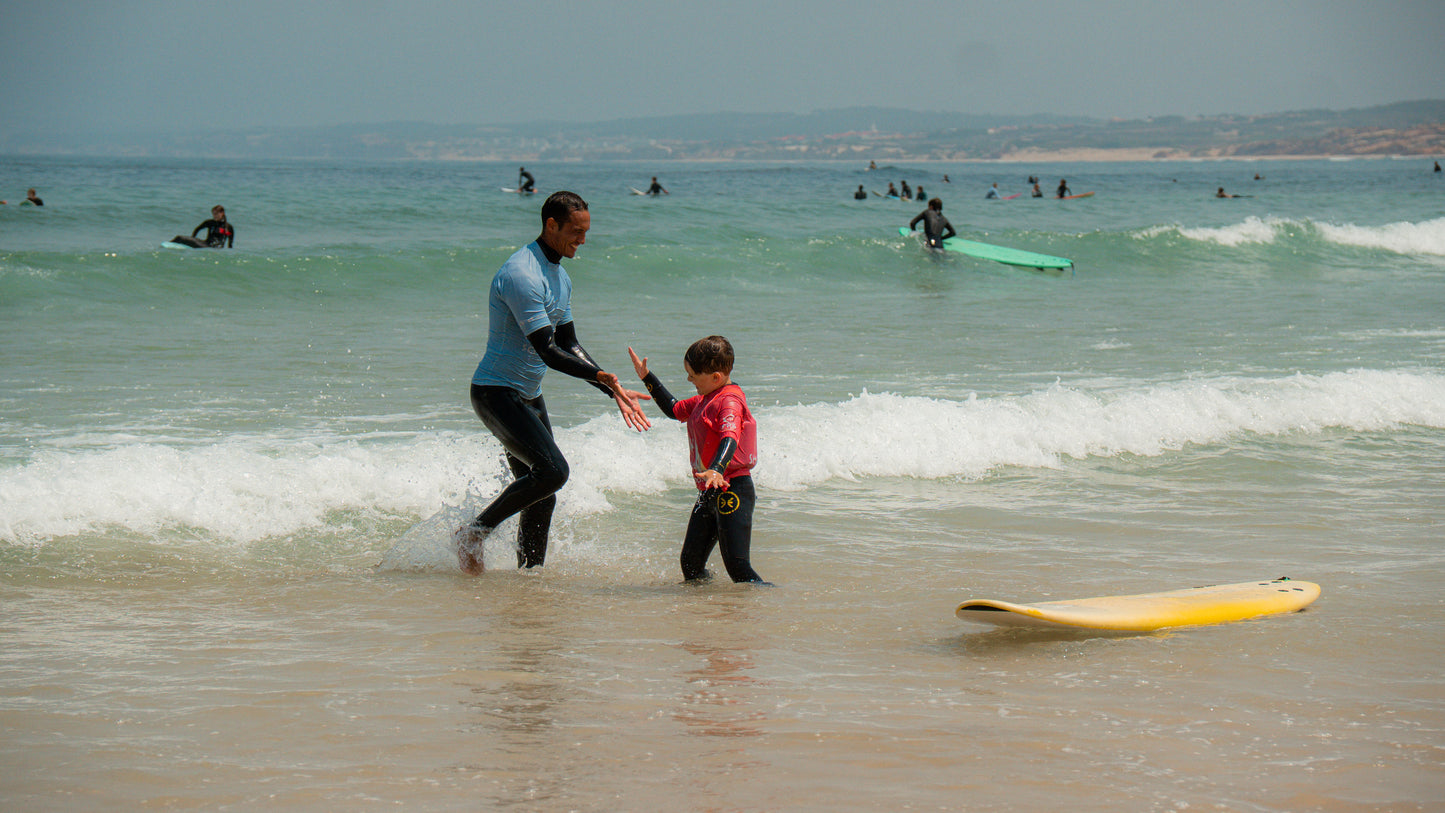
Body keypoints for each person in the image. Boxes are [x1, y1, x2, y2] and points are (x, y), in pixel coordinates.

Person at [456, 191, 652, 574]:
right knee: (553, 473)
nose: (582, 240)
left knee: (543, 493)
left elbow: (568, 343)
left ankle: (530, 580)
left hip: (527, 395)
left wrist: (610, 387)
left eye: (586, 232)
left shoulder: (559, 277)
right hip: (496, 392)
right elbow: (546, 350)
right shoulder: (521, 274)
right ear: (551, 225)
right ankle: (474, 533)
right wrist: (600, 378)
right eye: (576, 232)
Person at [628, 336, 767, 584]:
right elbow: (673, 409)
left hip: (732, 488)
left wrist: (716, 469)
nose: (689, 379)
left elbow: (730, 436)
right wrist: (647, 377)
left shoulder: (729, 401)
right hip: (709, 491)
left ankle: (767, 604)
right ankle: (703, 612)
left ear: (715, 377)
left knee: (738, 568)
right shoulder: (706, 398)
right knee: (690, 564)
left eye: (693, 375)